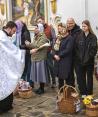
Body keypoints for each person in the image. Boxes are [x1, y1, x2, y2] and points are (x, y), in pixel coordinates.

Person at [0, 21, 24, 113]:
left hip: (4, 65)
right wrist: (21, 54)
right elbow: (12, 51)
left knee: (6, 84)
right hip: (3, 66)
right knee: (5, 85)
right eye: (13, 31)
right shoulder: (3, 37)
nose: (14, 33)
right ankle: (4, 107)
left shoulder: (2, 35)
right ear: (9, 28)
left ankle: (6, 105)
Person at [74, 20, 97, 98]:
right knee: (81, 77)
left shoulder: (93, 37)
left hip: (89, 62)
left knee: (89, 78)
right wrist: (80, 57)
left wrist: (88, 58)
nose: (83, 27)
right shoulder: (79, 36)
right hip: (80, 61)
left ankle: (89, 93)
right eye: (82, 26)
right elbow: (76, 48)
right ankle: (83, 93)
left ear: (88, 27)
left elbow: (94, 50)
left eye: (85, 26)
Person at [25, 23, 49, 94]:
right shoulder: (36, 36)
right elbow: (33, 46)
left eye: (36, 28)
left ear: (40, 29)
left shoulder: (43, 37)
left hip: (40, 58)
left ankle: (42, 89)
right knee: (38, 74)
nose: (34, 29)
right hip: (35, 57)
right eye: (35, 28)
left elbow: (38, 45)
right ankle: (39, 88)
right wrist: (29, 45)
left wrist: (29, 44)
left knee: (41, 74)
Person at [36, 16, 56, 88]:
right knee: (44, 67)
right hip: (41, 52)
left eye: (40, 21)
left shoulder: (50, 28)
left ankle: (53, 81)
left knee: (50, 66)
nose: (39, 23)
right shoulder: (38, 29)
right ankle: (47, 81)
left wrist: (52, 50)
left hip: (48, 51)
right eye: (38, 22)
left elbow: (54, 38)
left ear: (44, 21)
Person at [53, 23, 74, 89]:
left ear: (64, 28)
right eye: (58, 28)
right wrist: (54, 55)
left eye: (60, 28)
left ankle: (68, 94)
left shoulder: (70, 38)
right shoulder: (59, 37)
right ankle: (61, 94)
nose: (59, 30)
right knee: (60, 79)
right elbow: (54, 47)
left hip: (66, 61)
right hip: (58, 61)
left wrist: (59, 55)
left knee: (68, 79)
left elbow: (68, 49)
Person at [66, 18, 82, 87]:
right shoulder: (66, 31)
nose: (69, 25)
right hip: (68, 56)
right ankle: (71, 87)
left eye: (71, 23)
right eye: (68, 23)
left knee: (79, 73)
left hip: (76, 56)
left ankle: (82, 89)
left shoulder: (79, 31)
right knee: (69, 73)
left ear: (74, 23)